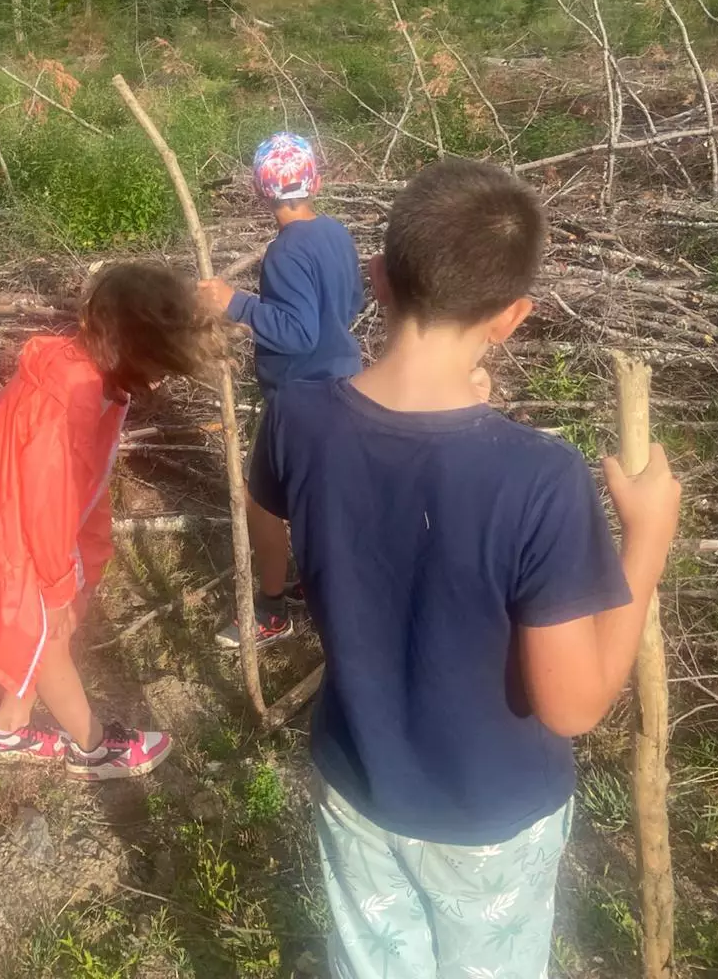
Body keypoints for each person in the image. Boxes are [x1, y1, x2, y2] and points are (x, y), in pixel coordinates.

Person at [246, 158, 681, 979]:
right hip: (489, 822)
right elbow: (576, 705)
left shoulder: (295, 418)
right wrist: (648, 539)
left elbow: (277, 524)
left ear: (377, 278)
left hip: (359, 786)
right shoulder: (537, 478)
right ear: (514, 316)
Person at [0, 261, 218, 781]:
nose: (161, 376)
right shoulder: (69, 392)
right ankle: (93, 749)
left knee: (55, 624)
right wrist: (53, 582)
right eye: (159, 360)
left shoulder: (85, 366)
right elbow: (44, 496)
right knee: (47, 632)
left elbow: (73, 480)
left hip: (37, 516)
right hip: (16, 525)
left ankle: (6, 729)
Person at [199, 132, 364, 649]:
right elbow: (352, 302)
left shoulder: (285, 252)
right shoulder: (335, 233)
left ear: (260, 191)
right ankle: (335, 596)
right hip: (344, 384)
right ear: (314, 181)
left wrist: (235, 304)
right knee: (327, 500)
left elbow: (298, 332)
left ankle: (271, 611)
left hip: (300, 395)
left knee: (264, 503)